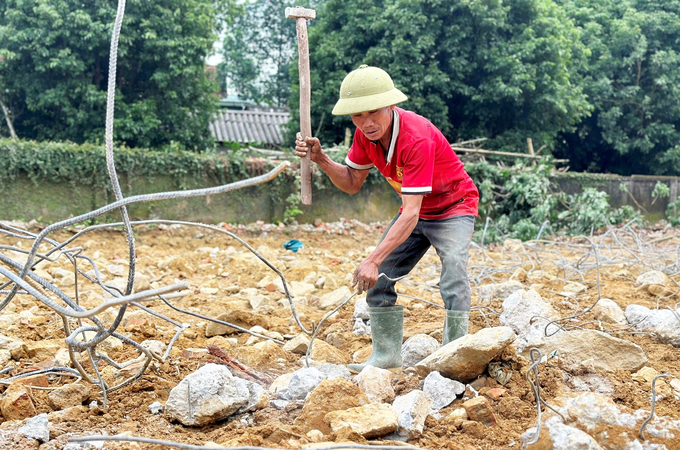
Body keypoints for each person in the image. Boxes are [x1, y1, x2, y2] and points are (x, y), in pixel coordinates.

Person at [295, 65, 479, 373]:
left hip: (453, 207)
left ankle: (454, 355)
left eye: (373, 113)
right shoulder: (366, 137)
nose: (366, 123)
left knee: (454, 271)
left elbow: (410, 214)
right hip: (414, 209)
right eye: (357, 116)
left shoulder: (415, 137)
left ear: (390, 106)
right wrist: (321, 159)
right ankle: (386, 356)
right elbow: (352, 183)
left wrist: (372, 258)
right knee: (380, 280)